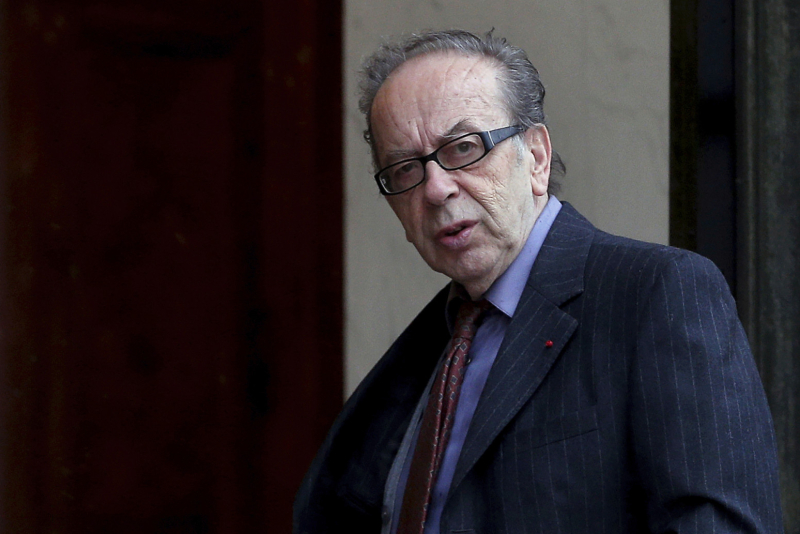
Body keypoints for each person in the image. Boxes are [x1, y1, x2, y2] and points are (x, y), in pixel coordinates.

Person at [294, 29, 783, 534]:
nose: (436, 189)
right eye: (404, 170)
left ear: (536, 157)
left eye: (463, 148)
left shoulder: (657, 293)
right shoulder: (431, 347)